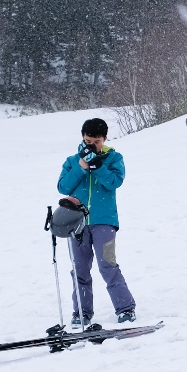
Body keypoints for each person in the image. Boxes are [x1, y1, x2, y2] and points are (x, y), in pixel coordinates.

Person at [56, 117, 136, 325]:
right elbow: (63, 187)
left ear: (105, 138)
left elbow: (114, 182)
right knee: (80, 269)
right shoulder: (72, 161)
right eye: (88, 141)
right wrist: (82, 166)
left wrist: (98, 166)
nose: (91, 145)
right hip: (76, 224)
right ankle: (82, 313)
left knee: (107, 265)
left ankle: (125, 309)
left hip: (105, 222)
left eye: (96, 141)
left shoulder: (114, 158)